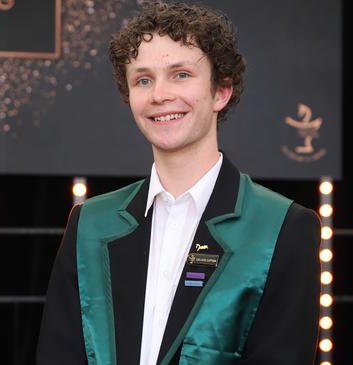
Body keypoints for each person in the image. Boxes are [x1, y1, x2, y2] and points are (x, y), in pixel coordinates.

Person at [37, 2, 321, 364]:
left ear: (221, 91)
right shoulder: (89, 224)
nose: (159, 94)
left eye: (181, 74)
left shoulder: (282, 227)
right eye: (143, 79)